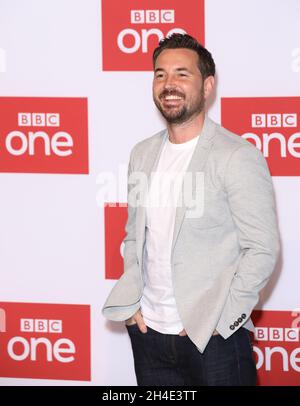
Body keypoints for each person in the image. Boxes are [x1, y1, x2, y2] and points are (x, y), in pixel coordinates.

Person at [102, 33, 280, 386]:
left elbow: (262, 249)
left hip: (213, 341)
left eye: (182, 74)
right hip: (149, 334)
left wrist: (222, 318)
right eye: (160, 74)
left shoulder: (236, 155)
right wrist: (133, 301)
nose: (169, 84)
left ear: (208, 85)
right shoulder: (142, 153)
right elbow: (135, 234)